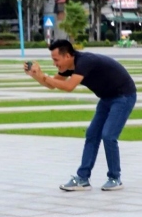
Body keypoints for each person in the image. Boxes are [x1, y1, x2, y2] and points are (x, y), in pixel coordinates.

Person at [28, 39, 138, 191]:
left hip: (123, 96)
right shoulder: (69, 66)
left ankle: (115, 178)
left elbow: (68, 86)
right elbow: (52, 84)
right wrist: (36, 75)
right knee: (92, 134)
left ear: (67, 56)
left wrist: (44, 76)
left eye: (56, 60)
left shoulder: (85, 62)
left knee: (108, 135)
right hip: (107, 98)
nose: (55, 64)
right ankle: (82, 178)